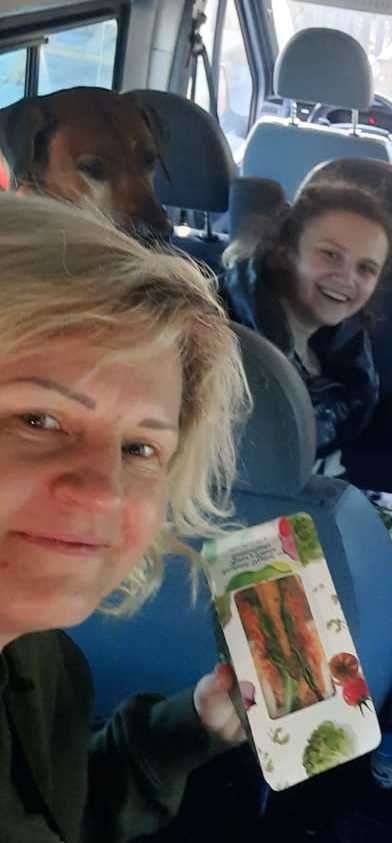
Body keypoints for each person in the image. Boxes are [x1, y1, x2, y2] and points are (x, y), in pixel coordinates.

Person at [0, 192, 250, 842]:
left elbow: (54, 814)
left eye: (140, 447)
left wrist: (185, 729)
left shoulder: (40, 656)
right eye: (38, 418)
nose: (106, 493)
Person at [222, 180, 392, 635]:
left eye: (366, 268)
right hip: (249, 532)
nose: (347, 278)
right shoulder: (235, 341)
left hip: (322, 502)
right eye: (330, 255)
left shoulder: (337, 338)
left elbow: (334, 432)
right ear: (286, 251)